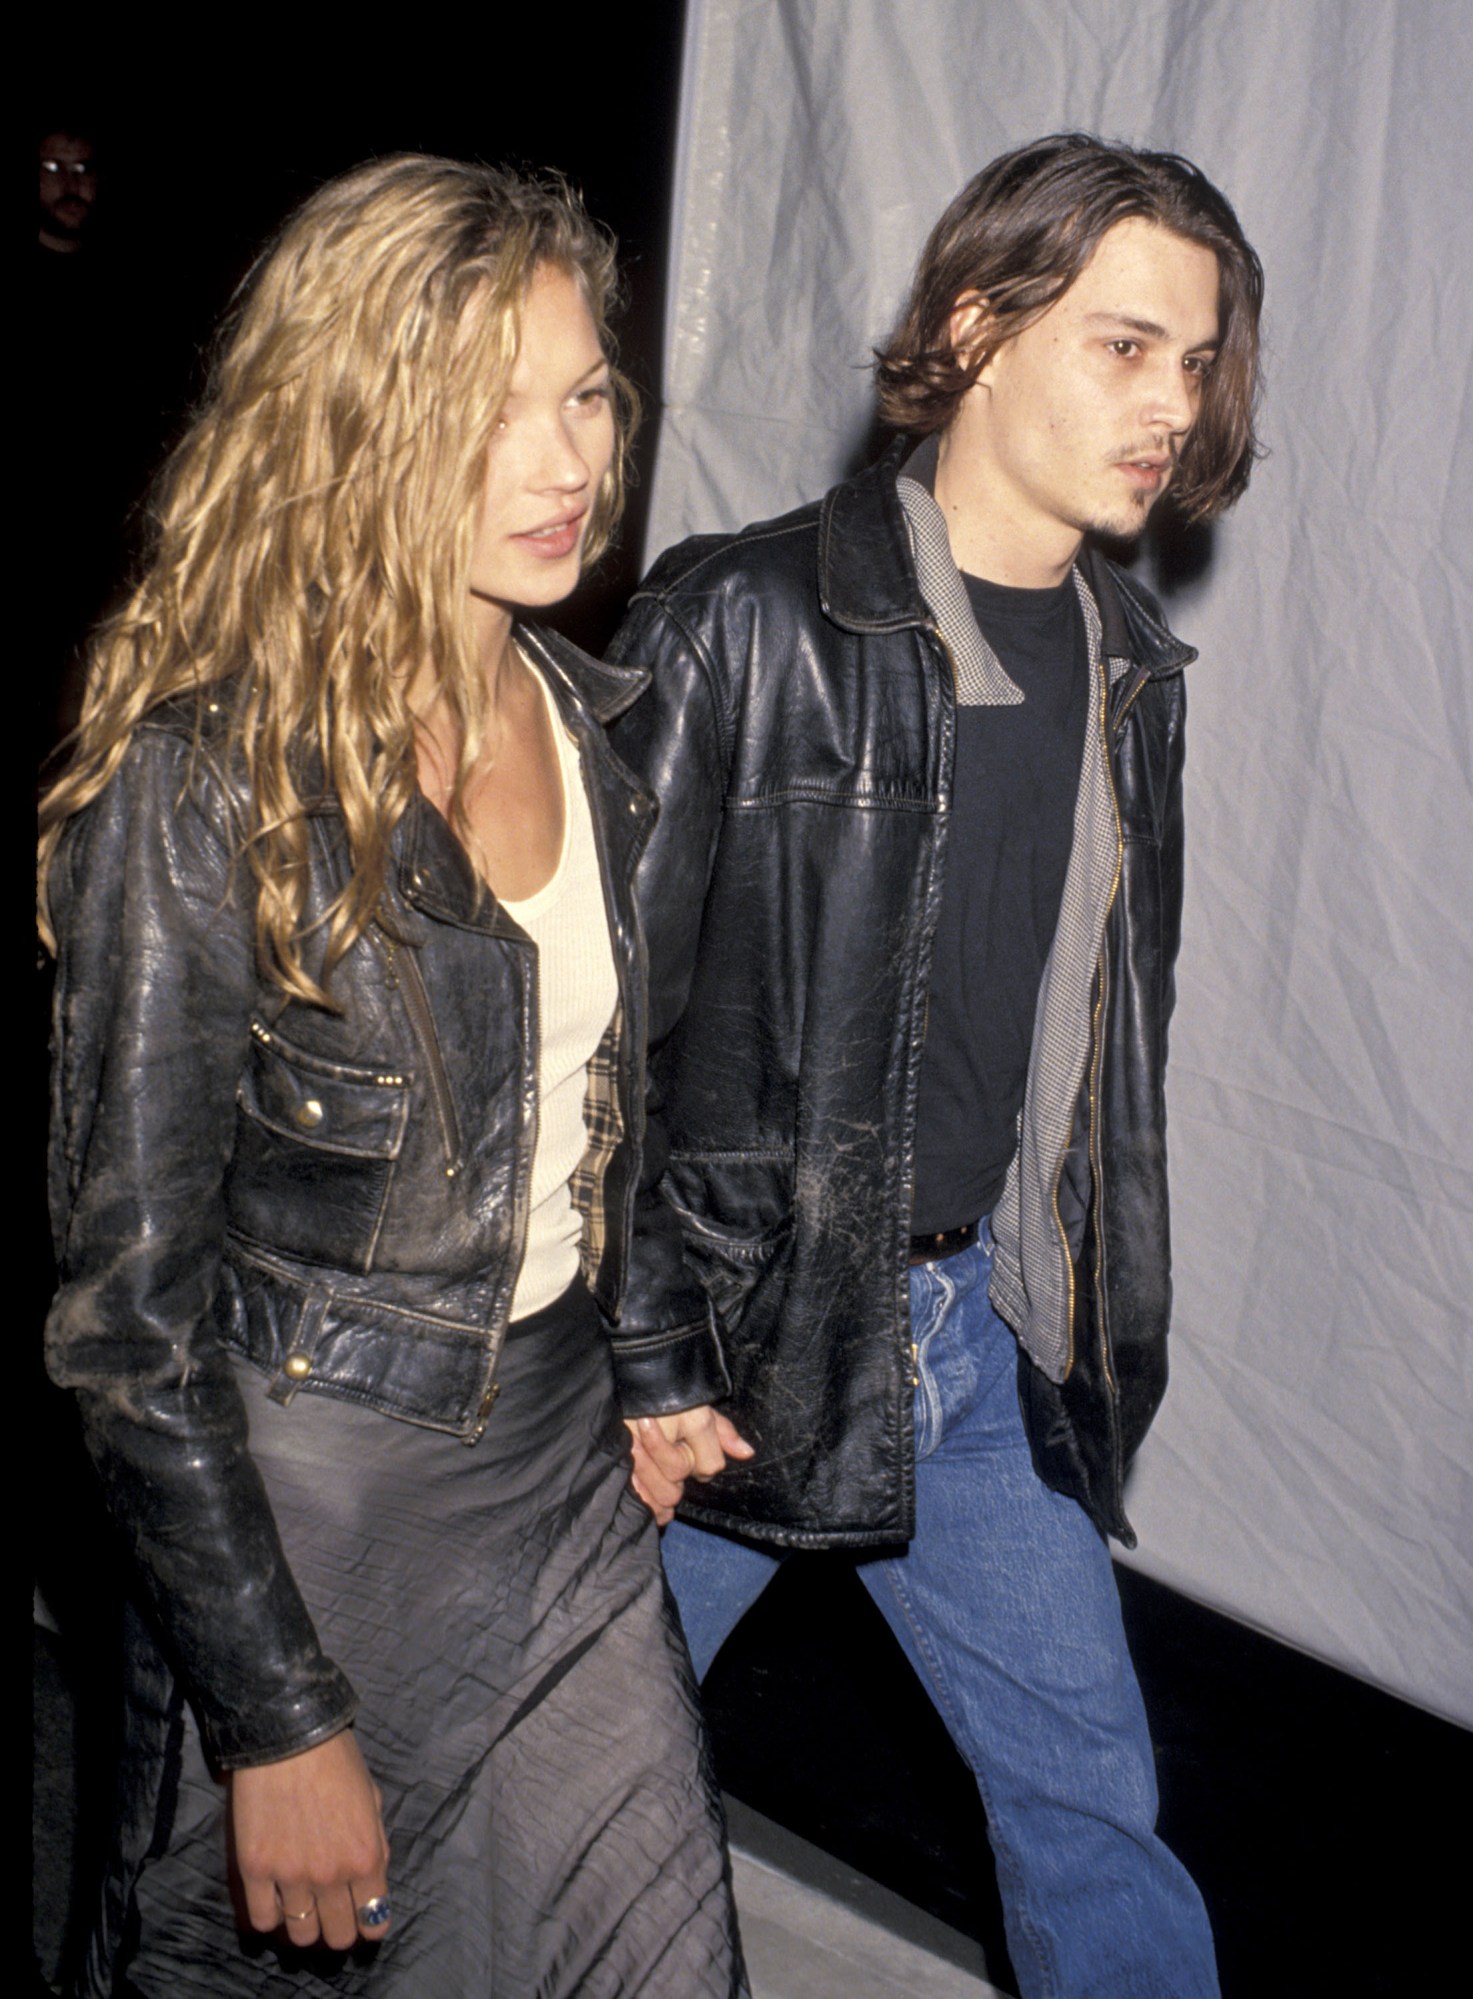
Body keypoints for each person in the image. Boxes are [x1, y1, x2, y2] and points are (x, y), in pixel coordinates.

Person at [41, 155, 746, 1997]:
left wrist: (653, 1357)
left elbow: (609, 1113)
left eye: (584, 393)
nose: (562, 462)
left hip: (557, 1475)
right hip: (311, 1508)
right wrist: (272, 1717)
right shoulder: (204, 787)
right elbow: (130, 1321)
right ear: (347, 428)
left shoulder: (607, 732)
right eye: (482, 412)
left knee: (654, 1957)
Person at [608, 133, 1264, 1998]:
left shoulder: (1130, 664)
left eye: (1197, 361)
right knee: (524, 1800)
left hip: (967, 1344)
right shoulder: (745, 618)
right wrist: (647, 1354)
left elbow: (1071, 1047)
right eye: (1126, 347)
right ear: (976, 326)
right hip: (721, 1357)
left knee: (1087, 1801)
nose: (1171, 406)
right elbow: (591, 1036)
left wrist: (1062, 1312)